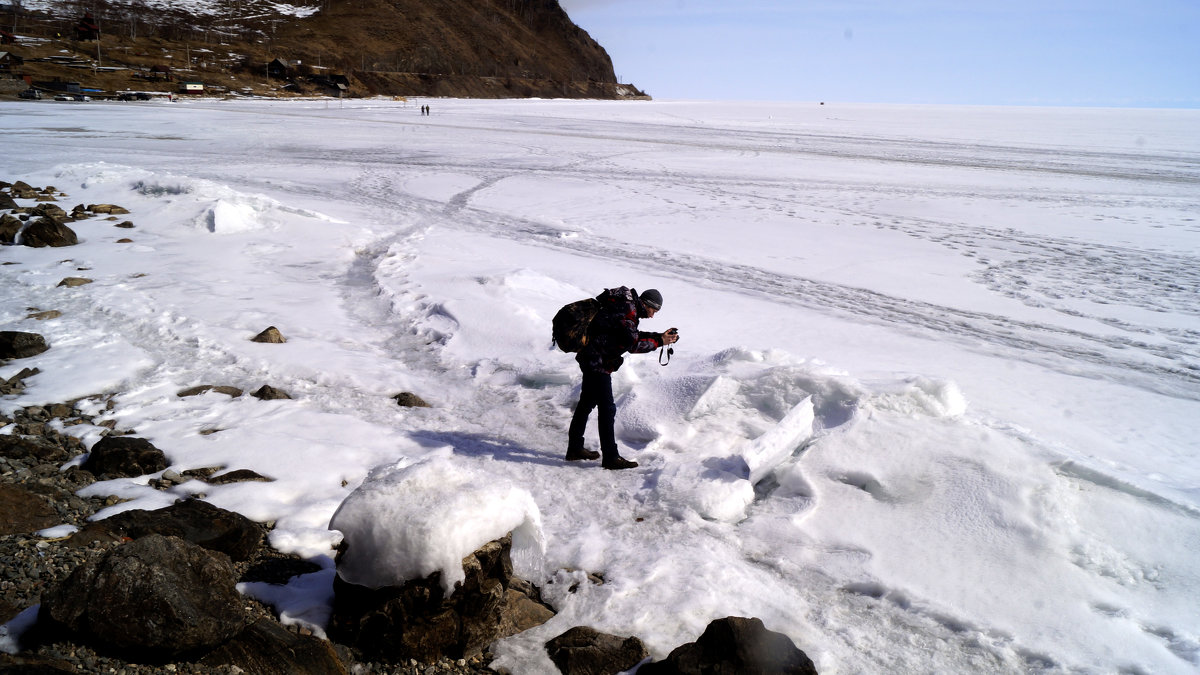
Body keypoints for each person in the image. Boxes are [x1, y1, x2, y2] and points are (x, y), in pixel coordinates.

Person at [567, 287, 679, 470]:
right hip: (598, 361)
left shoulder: (626, 307)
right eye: (653, 311)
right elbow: (633, 344)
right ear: (647, 304)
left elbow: (630, 335)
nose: (652, 316)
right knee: (607, 409)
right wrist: (660, 342)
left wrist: (659, 337)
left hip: (592, 357)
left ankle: (575, 448)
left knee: (586, 403)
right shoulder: (628, 310)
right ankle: (610, 457)